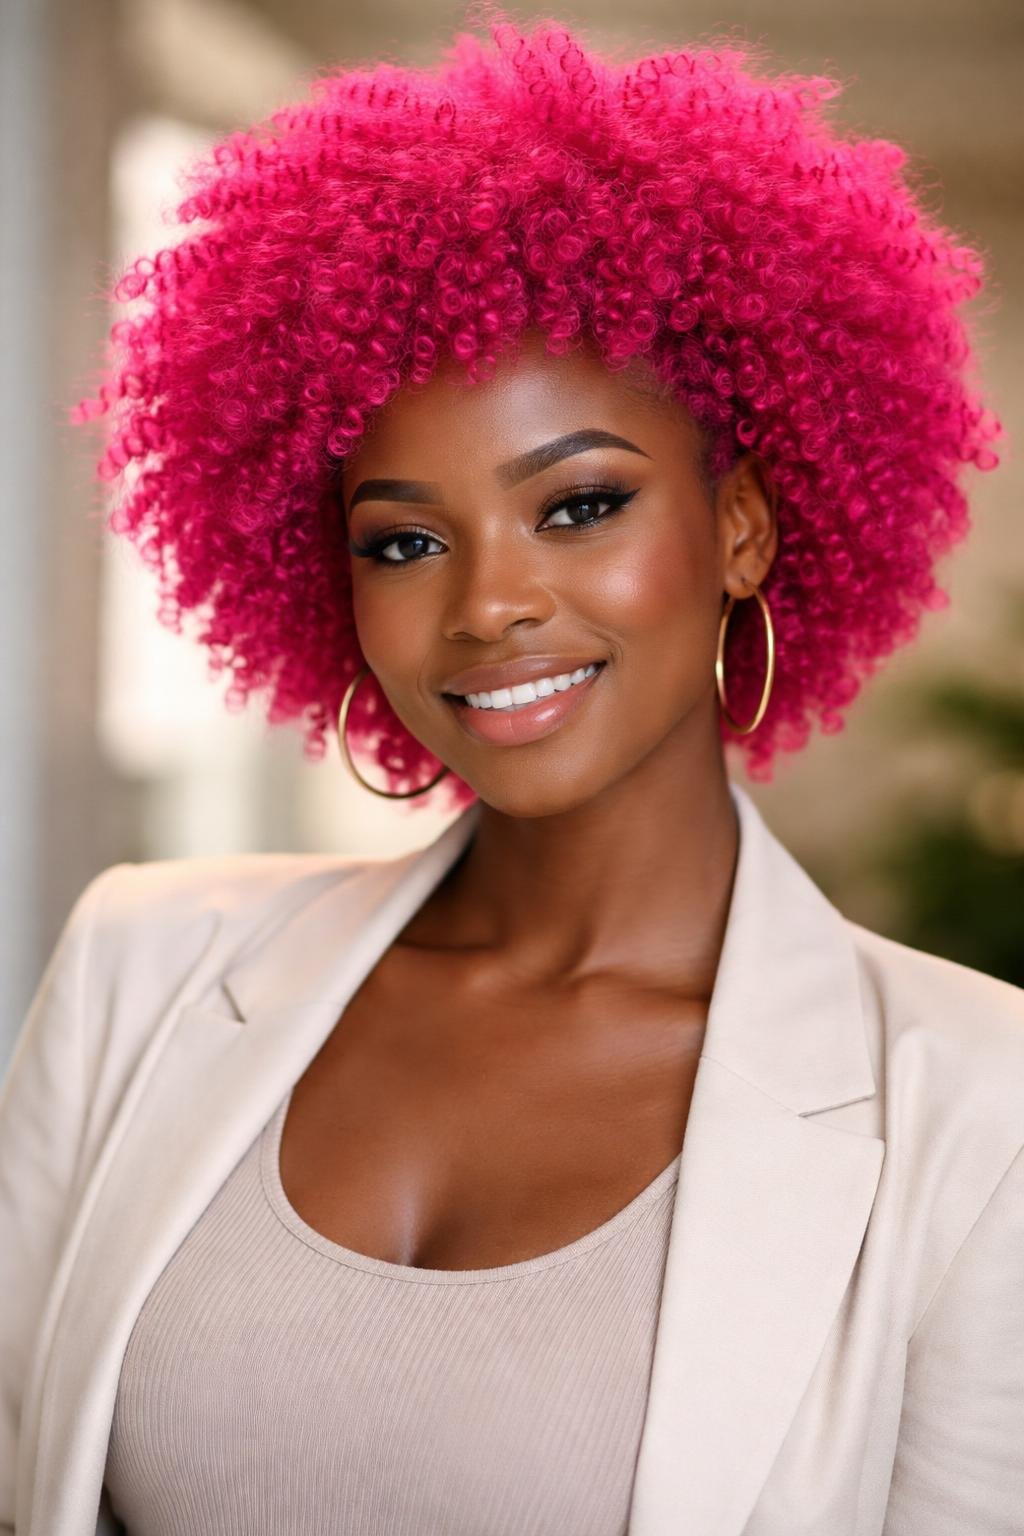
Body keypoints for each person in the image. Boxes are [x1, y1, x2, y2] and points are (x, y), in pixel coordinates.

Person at [2, 17, 1021, 1536]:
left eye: (579, 504)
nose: (487, 606)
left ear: (741, 526)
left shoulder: (982, 1108)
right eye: (404, 540)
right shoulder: (138, 973)